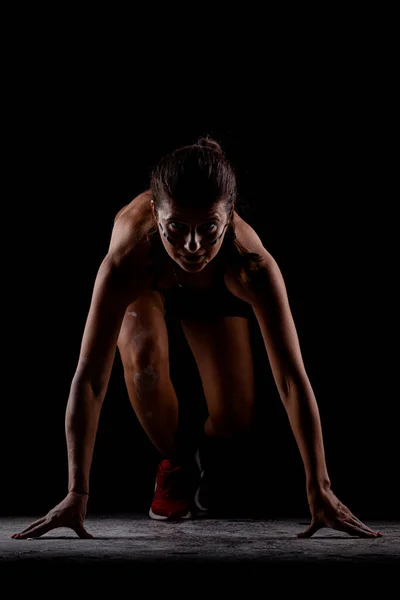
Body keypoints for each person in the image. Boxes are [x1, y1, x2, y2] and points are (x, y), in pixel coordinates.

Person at [12, 137, 382, 540]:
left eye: (208, 229)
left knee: (234, 417)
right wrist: (76, 492)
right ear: (156, 214)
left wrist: (320, 489)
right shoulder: (128, 256)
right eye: (176, 229)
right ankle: (175, 464)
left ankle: (206, 460)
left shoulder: (250, 263)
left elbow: (292, 380)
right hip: (149, 288)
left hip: (213, 292)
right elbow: (90, 379)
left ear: (228, 215)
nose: (192, 247)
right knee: (145, 365)